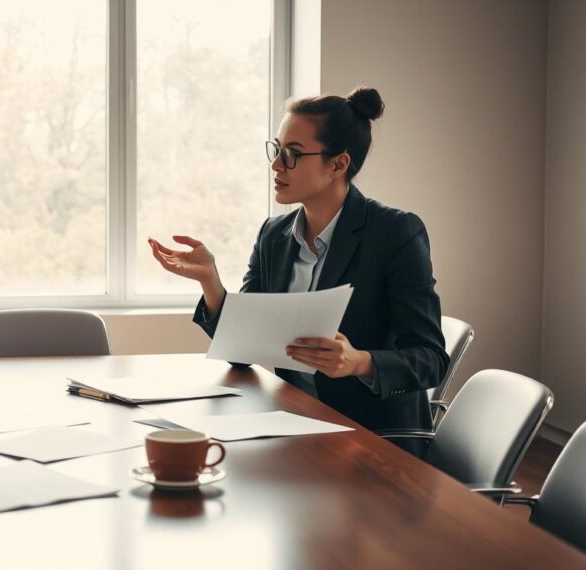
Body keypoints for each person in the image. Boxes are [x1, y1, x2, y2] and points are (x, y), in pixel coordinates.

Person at [148, 87, 447, 434]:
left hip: (371, 437)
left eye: (292, 154)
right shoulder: (273, 235)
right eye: (276, 150)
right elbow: (242, 350)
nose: (276, 164)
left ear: (338, 164)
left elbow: (431, 360)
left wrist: (358, 362)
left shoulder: (395, 233)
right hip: (294, 423)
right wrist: (211, 282)